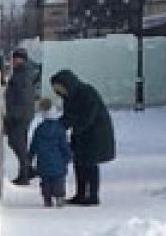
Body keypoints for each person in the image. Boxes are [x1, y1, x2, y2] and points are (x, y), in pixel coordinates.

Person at [50, 70, 116, 206]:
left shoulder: (87, 92)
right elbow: (69, 116)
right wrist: (58, 126)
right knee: (79, 162)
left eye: (59, 87)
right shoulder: (68, 97)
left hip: (96, 134)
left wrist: (72, 127)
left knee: (90, 163)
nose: (58, 91)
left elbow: (88, 116)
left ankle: (92, 196)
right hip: (81, 134)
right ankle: (80, 194)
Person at [3, 48, 40, 184]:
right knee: (20, 144)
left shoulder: (22, 75)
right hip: (22, 114)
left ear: (21, 59)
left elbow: (23, 97)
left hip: (19, 116)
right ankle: (27, 170)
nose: (13, 61)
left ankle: (24, 174)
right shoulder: (22, 73)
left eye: (15, 58)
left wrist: (13, 115)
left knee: (18, 144)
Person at [28, 97, 73, 208]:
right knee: (58, 181)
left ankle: (47, 199)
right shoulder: (60, 129)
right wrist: (68, 156)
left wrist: (30, 157)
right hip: (58, 162)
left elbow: (34, 145)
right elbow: (64, 145)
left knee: (45, 181)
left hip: (43, 161)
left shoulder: (39, 129)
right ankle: (59, 197)